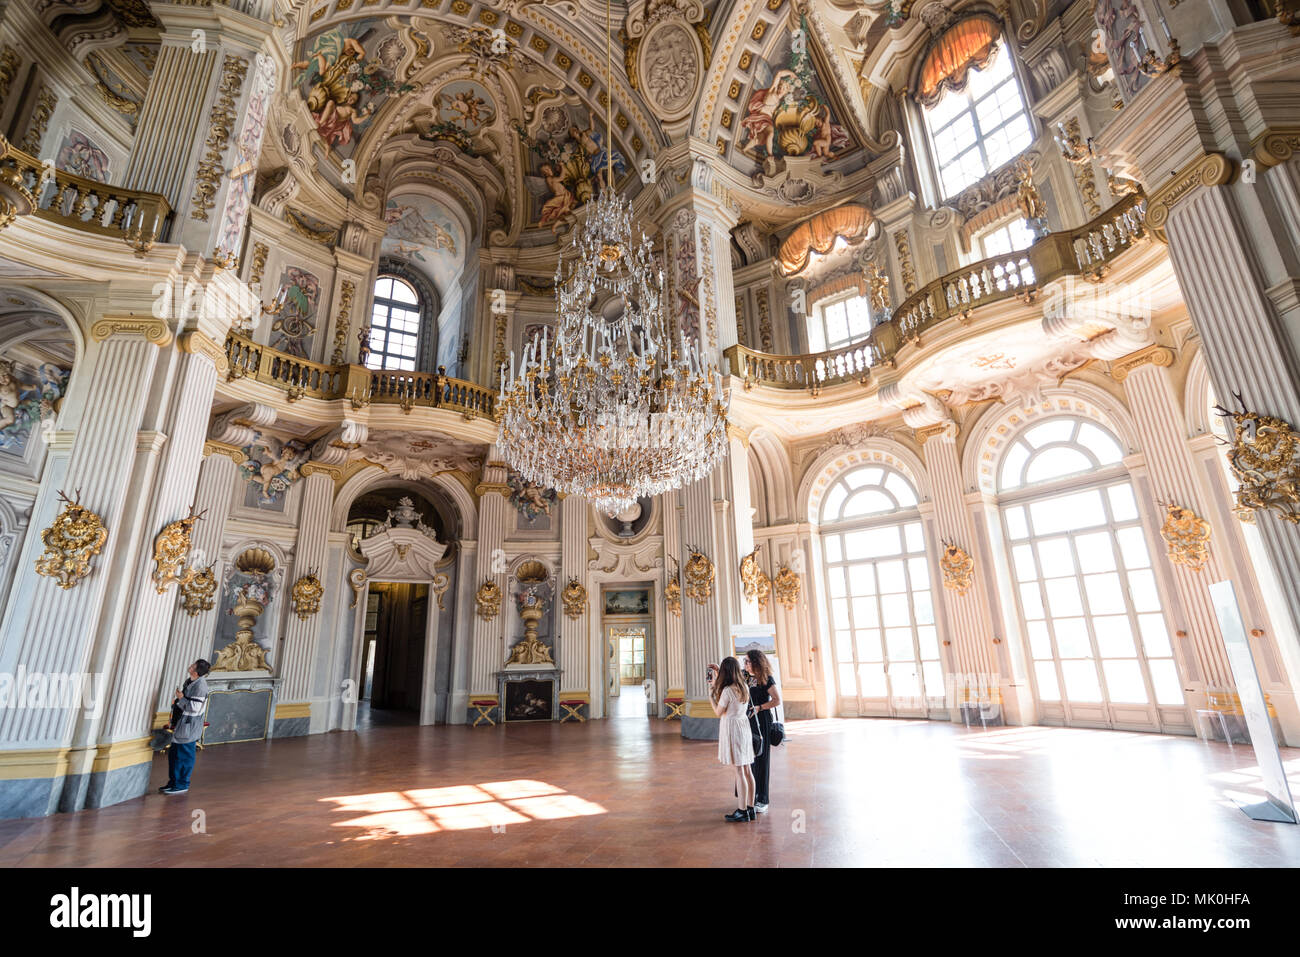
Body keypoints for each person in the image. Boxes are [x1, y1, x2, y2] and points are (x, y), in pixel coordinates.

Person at [707, 657, 755, 822]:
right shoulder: (744, 687)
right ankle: (750, 807)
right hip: (744, 727)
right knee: (747, 770)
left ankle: (742, 811)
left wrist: (710, 697)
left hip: (733, 729)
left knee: (739, 771)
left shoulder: (727, 690)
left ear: (726, 672)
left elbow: (718, 712)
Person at [161, 659, 210, 796]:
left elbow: (195, 708)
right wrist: (178, 700)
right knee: (174, 755)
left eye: (193, 665)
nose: (191, 665)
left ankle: (182, 784)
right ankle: (173, 782)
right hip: (182, 724)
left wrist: (181, 698)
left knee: (184, 756)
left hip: (189, 726)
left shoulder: (200, 687)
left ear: (197, 671)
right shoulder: (189, 681)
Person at [744, 650, 782, 814]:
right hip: (747, 721)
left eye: (747, 661)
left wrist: (760, 707)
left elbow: (776, 700)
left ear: (756, 662)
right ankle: (750, 795)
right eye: (744, 661)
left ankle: (762, 798)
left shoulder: (766, 679)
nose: (744, 664)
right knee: (747, 758)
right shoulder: (744, 677)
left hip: (762, 721)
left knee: (761, 759)